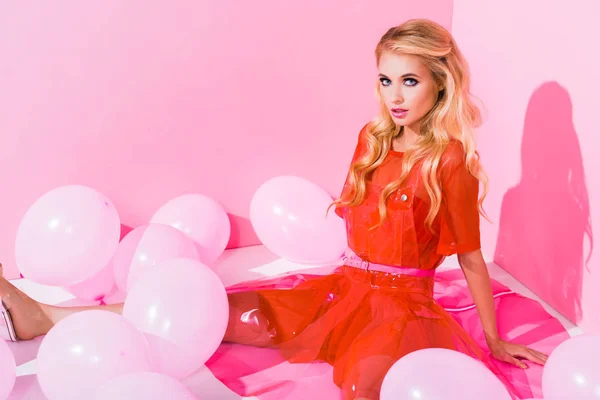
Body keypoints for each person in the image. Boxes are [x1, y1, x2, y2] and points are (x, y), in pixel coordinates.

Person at [1, 19, 552, 399]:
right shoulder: (373, 138)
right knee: (214, 312)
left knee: (366, 386)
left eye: (410, 81)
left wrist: (494, 337)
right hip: (338, 293)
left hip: (402, 315)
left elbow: (473, 260)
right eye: (386, 80)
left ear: (440, 84)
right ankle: (44, 316)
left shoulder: (447, 161)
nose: (396, 96)